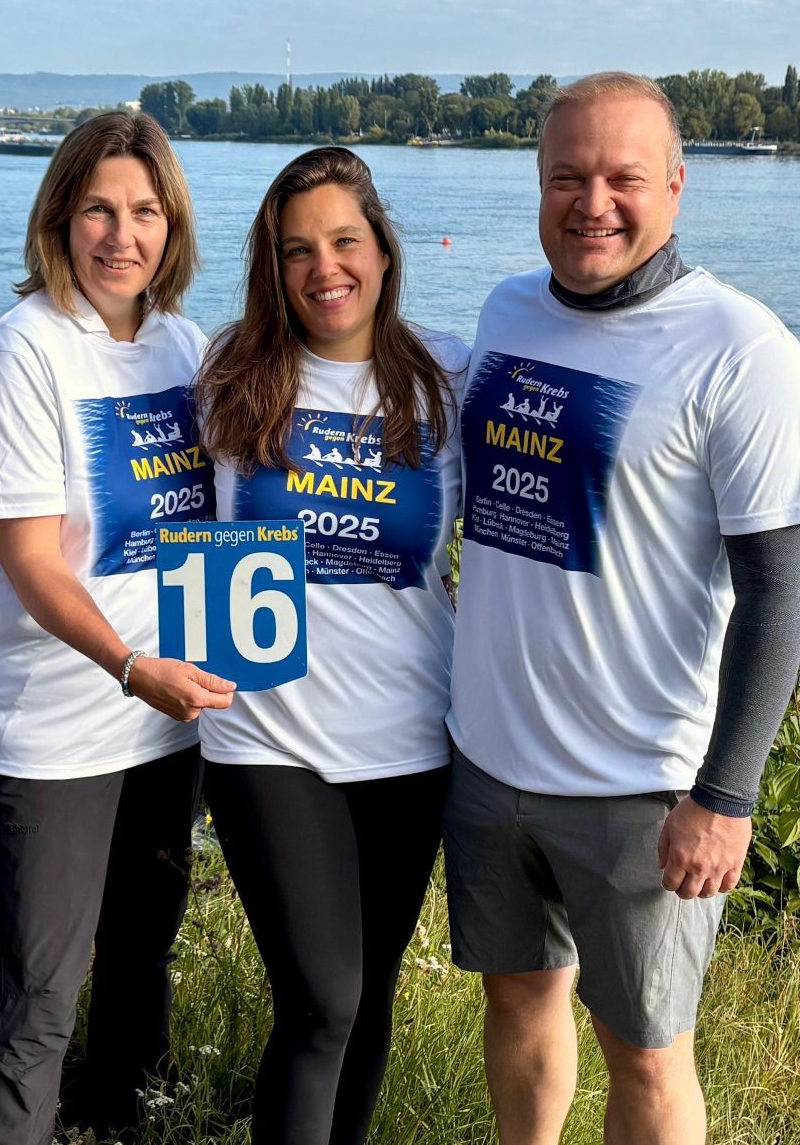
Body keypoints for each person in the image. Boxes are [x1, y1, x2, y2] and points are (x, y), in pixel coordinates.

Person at [444, 72, 800, 1145]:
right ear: (537, 183)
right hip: (488, 756)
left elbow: (777, 590)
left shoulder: (742, 352)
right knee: (517, 1000)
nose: (591, 203)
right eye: (567, 177)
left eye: (621, 179)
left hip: (640, 788)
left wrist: (727, 795)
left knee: (648, 1054)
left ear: (674, 186)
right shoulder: (505, 309)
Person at [0, 110, 232, 1144]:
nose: (123, 234)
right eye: (99, 209)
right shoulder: (23, 350)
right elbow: (28, 560)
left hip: (166, 721)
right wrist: (127, 664)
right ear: (59, 217)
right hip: (53, 728)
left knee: (141, 962)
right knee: (41, 995)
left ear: (173, 224)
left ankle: (120, 1123)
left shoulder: (183, 345)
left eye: (146, 211)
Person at [193, 146, 466, 1145]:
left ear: (383, 250)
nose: (324, 269)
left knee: (370, 997)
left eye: (343, 241)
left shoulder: (450, 380)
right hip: (264, 735)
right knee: (323, 1002)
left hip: (408, 740)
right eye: (296, 250)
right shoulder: (229, 374)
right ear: (273, 268)